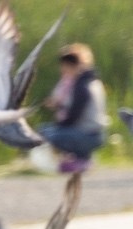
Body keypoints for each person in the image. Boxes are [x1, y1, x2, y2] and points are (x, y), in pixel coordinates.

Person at [42, 44, 109, 173]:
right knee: (47, 130)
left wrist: (58, 126)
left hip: (89, 134)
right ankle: (82, 158)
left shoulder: (82, 86)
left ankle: (82, 159)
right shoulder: (90, 81)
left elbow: (74, 115)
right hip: (94, 133)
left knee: (47, 134)